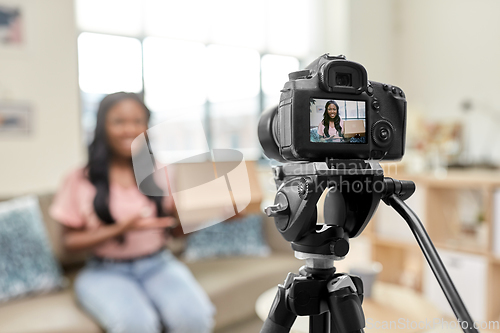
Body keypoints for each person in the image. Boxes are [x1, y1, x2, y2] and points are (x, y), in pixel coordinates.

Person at [49, 92, 215, 333]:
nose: (130, 130)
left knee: (194, 318)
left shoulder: (161, 172)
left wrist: (208, 216)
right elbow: (68, 243)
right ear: (102, 127)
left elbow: (176, 232)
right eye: (119, 122)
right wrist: (121, 228)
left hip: (158, 264)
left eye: (138, 121)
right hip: (104, 271)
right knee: (136, 324)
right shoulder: (79, 179)